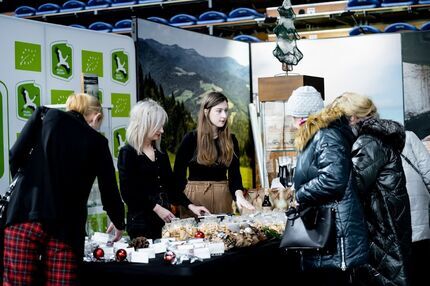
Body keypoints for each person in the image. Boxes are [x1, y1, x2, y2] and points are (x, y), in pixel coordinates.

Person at [3, 93, 125, 285]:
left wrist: (31, 185)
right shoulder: (98, 142)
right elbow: (109, 189)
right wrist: (119, 223)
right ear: (97, 117)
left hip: (25, 214)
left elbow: (15, 155)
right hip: (66, 227)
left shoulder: (44, 116)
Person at [287, 86, 369, 285]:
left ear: (299, 117)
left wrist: (300, 194)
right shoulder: (318, 135)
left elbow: (333, 180)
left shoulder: (325, 135)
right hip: (329, 229)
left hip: (337, 232)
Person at [330, 92, 412, 286]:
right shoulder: (375, 139)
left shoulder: (367, 142)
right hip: (388, 233)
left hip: (381, 238)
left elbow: (348, 187)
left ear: (352, 118)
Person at [117, 99, 209, 239]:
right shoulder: (127, 153)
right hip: (140, 226)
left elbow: (171, 187)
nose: (162, 130)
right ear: (144, 124)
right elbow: (128, 193)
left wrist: (191, 206)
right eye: (157, 125)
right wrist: (156, 208)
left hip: (165, 224)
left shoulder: (161, 153)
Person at [173, 92, 254, 216]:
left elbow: (235, 176)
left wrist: (239, 196)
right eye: (219, 111)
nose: (224, 116)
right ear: (206, 112)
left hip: (222, 198)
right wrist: (189, 203)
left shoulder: (231, 140)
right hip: (194, 201)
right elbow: (177, 179)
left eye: (226, 111)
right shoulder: (190, 139)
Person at [401, 130, 430, 286]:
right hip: (419, 216)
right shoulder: (409, 137)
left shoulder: (369, 143)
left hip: (396, 223)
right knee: (421, 264)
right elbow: (428, 171)